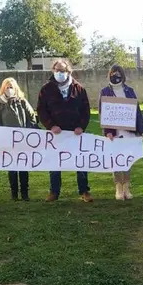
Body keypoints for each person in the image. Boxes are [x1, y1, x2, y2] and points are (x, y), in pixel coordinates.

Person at [37, 59, 93, 203]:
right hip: (56, 133)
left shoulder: (79, 88)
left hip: (76, 133)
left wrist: (81, 126)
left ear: (69, 72)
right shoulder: (46, 89)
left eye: (62, 70)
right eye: (57, 70)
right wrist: (50, 126)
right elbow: (41, 110)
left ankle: (84, 191)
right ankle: (54, 192)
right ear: (53, 71)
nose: (59, 73)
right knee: (55, 163)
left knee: (80, 162)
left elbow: (86, 110)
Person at [100, 65, 143, 200]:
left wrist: (140, 130)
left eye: (118, 74)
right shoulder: (105, 91)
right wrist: (108, 131)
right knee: (116, 160)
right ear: (109, 75)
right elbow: (103, 112)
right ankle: (118, 187)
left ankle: (126, 186)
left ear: (122, 75)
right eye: (113, 74)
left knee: (126, 160)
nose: (116, 76)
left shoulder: (129, 91)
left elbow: (137, 111)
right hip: (114, 133)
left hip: (129, 132)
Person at [0, 77, 38, 201]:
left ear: (16, 88)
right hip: (7, 141)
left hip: (23, 140)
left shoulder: (22, 102)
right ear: (3, 89)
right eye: (7, 87)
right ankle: (14, 194)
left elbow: (32, 117)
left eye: (11, 87)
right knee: (12, 168)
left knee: (23, 168)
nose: (9, 89)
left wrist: (28, 132)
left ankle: (24, 193)